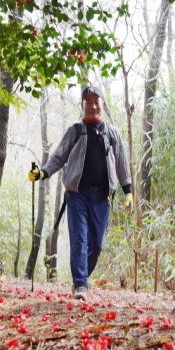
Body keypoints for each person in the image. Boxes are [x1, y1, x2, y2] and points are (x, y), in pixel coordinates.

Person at [28, 85, 133, 300]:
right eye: (88, 102)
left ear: (102, 104)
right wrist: (42, 173)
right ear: (83, 106)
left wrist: (128, 190)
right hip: (77, 195)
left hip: (102, 197)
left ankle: (81, 276)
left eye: (97, 101)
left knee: (97, 244)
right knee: (79, 238)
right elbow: (58, 157)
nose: (93, 106)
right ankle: (80, 284)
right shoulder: (75, 131)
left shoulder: (112, 133)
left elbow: (122, 162)